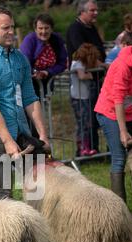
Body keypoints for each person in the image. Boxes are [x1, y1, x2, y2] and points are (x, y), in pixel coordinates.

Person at [0, 6, 49, 201]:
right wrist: (7, 141)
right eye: (5, 28)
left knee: (37, 189)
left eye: (12, 27)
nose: (11, 32)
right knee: (4, 195)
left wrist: (43, 135)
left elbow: (31, 98)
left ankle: (33, 230)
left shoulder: (20, 58)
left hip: (20, 129)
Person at [94, 44, 132, 203]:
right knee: (119, 157)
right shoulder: (123, 65)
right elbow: (118, 99)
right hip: (110, 112)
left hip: (130, 110)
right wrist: (122, 131)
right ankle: (120, 209)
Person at [66, 0, 106, 154]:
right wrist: (102, 66)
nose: (96, 13)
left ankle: (94, 149)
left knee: (94, 119)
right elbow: (84, 55)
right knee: (85, 120)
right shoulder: (75, 29)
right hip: (82, 89)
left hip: (95, 82)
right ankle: (83, 150)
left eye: (96, 10)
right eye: (92, 10)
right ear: (82, 12)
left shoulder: (92, 28)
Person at [19, 13, 67, 96]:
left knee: (45, 106)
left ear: (51, 29)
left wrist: (47, 72)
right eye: (40, 28)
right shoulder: (30, 40)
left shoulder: (57, 40)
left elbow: (62, 63)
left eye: (46, 28)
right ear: (35, 29)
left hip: (48, 79)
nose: (43, 31)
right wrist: (35, 72)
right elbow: (24, 61)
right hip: (30, 81)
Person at [70, 43, 100, 156]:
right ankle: (82, 147)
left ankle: (87, 147)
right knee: (82, 123)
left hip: (85, 97)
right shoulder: (77, 63)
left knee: (87, 123)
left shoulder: (82, 63)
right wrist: (92, 75)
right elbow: (82, 76)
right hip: (79, 98)